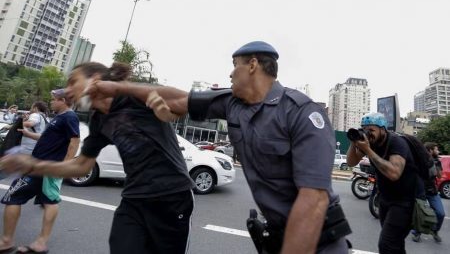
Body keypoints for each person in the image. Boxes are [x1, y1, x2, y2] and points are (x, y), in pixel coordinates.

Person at [70, 41, 351, 253]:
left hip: (320, 240)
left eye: (235, 65)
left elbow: (313, 200)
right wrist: (118, 88)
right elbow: (179, 100)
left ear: (252, 65)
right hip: (279, 237)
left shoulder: (301, 112)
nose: (230, 73)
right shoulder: (232, 103)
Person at [0, 62, 195, 254]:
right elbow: (82, 166)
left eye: (72, 82)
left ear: (94, 80)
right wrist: (32, 165)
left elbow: (184, 100)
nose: (67, 91)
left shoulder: (133, 97)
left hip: (172, 195)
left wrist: (119, 87)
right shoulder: (99, 120)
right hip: (133, 199)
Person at [0, 90, 80, 254]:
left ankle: (7, 241)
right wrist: (28, 133)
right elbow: (47, 138)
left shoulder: (69, 117)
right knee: (49, 201)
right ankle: (40, 242)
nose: (51, 102)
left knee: (12, 197)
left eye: (53, 100)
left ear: (63, 100)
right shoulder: (59, 117)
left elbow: (74, 141)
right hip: (42, 166)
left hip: (42, 167)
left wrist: (65, 165)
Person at [346, 112, 417, 254]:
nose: (367, 134)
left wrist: (367, 150)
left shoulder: (397, 142)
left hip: (404, 201)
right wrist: (353, 143)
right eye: (364, 130)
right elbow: (351, 162)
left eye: (371, 130)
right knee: (394, 244)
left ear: (383, 129)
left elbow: (394, 173)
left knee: (387, 244)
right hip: (385, 199)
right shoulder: (371, 143)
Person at [411, 142, 445, 243]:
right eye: (436, 149)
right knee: (420, 212)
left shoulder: (437, 161)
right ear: (430, 150)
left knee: (440, 213)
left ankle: (435, 231)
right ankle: (417, 232)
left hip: (432, 190)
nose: (437, 151)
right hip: (420, 190)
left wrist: (436, 163)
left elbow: (439, 176)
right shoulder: (419, 160)